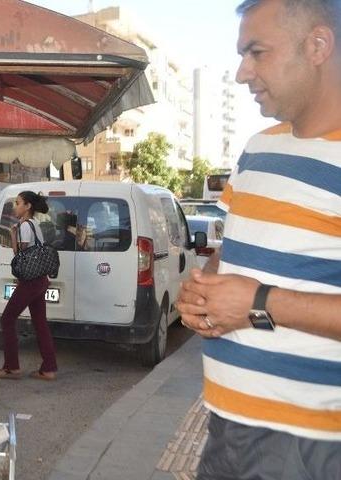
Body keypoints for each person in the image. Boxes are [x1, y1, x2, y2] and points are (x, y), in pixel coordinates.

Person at [176, 1, 341, 478]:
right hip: (227, 426)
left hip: (309, 444)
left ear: (317, 45)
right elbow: (234, 252)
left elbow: (255, 295)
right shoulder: (258, 147)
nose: (241, 73)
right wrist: (202, 291)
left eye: (257, 52)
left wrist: (258, 303)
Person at [0, 191, 57, 381]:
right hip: (40, 279)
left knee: (7, 318)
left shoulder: (24, 226)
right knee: (40, 323)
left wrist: (14, 235)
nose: (15, 206)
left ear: (28, 206)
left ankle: (11, 367)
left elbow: (19, 255)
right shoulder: (35, 224)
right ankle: (49, 367)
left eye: (18, 203)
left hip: (30, 281)